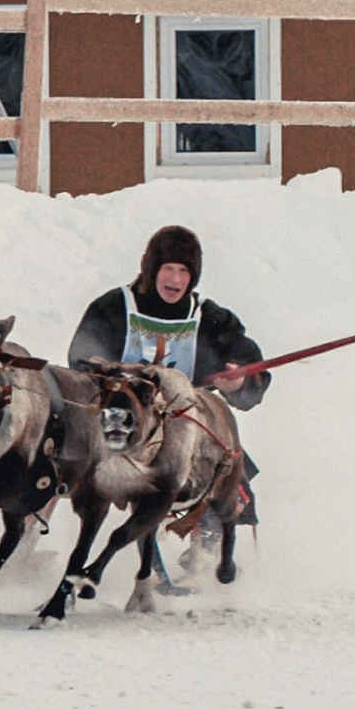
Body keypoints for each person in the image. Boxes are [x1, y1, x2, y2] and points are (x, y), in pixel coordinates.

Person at [68, 225, 269, 570]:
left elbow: (253, 369)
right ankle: (28, 535)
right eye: (168, 269)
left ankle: (205, 553)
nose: (175, 279)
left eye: (184, 271)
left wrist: (240, 383)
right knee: (60, 457)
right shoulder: (115, 306)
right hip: (120, 421)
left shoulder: (208, 317)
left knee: (227, 469)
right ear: (152, 270)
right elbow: (79, 360)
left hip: (185, 426)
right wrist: (95, 369)